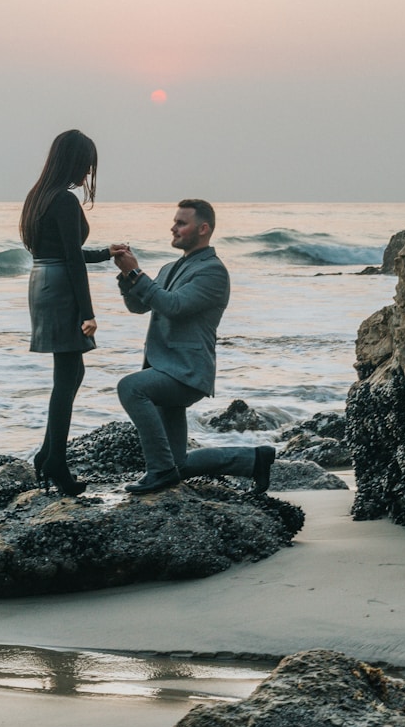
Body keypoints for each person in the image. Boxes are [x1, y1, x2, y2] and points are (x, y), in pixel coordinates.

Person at [115, 200, 276, 495]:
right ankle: (254, 460)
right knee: (179, 464)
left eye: (181, 223)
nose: (173, 228)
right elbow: (139, 305)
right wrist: (127, 277)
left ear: (203, 229)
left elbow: (174, 306)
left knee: (130, 388)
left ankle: (159, 472)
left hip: (186, 372)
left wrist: (138, 274)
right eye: (174, 221)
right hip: (164, 367)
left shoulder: (212, 272)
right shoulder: (169, 268)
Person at [20, 129, 124, 497]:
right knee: (68, 376)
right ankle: (55, 463)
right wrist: (88, 313)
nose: (88, 174)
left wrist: (103, 254)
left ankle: (49, 455)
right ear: (74, 162)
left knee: (68, 373)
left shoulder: (38, 196)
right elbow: (71, 263)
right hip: (61, 287)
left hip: (42, 282)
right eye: (87, 166)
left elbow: (62, 251)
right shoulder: (63, 200)